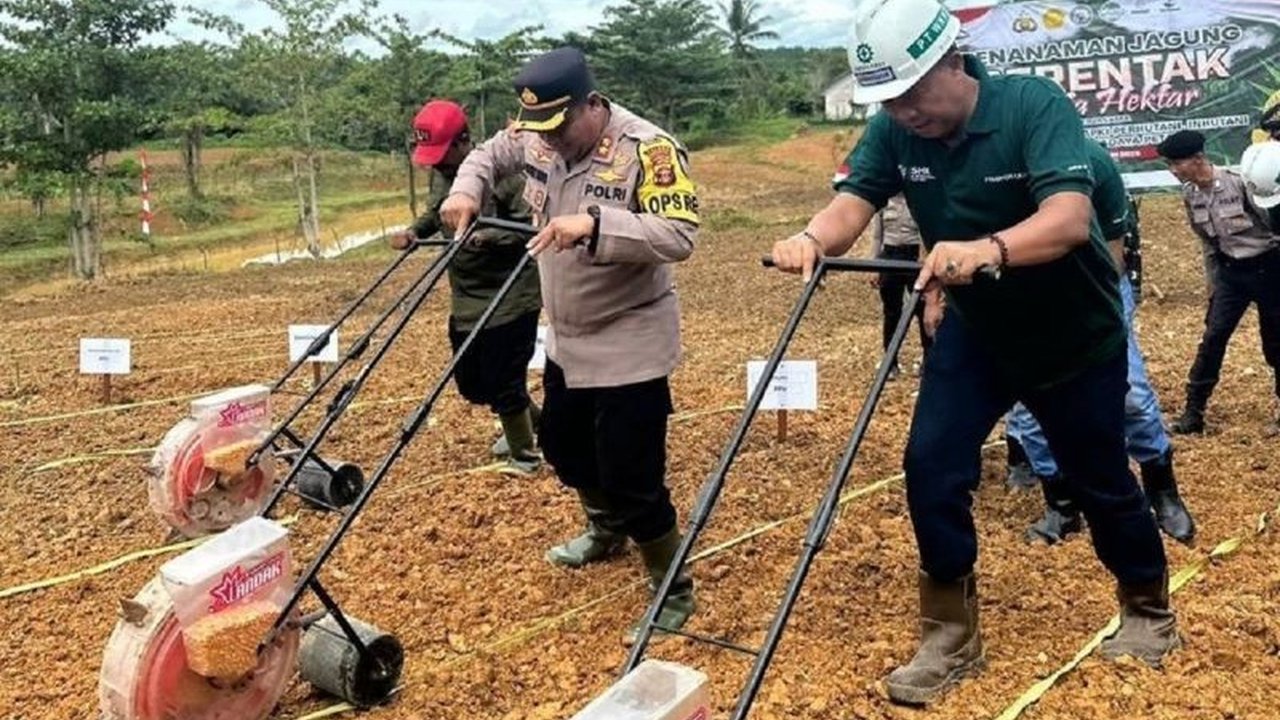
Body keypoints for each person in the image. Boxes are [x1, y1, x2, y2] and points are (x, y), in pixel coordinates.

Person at [769, 0, 1176, 704]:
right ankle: (950, 634)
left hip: (1072, 334)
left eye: (910, 94)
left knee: (1100, 477)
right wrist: (812, 238)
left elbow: (1070, 220)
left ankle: (1147, 607)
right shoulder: (893, 130)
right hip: (978, 332)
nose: (901, 112)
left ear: (953, 62)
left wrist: (988, 250)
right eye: (887, 100)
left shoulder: (1032, 107)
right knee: (930, 465)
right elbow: (852, 205)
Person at [438, 47, 700, 643]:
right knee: (563, 447)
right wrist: (466, 190)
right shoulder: (538, 136)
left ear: (591, 106)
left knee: (632, 470)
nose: (548, 141)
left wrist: (596, 226)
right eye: (540, 129)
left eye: (560, 126)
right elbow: (489, 152)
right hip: (567, 336)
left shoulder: (648, 150)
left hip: (629, 335)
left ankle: (671, 585)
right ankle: (605, 528)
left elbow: (678, 234)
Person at [1006, 139, 1195, 545]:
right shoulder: (992, 167)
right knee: (1027, 408)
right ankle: (1063, 506)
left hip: (1096, 285)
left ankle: (1162, 491)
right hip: (1021, 294)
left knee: (1130, 392)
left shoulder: (1093, 162)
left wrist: (1093, 315)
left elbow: (1113, 251)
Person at [390, 99, 543, 474]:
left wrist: (489, 237)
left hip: (511, 294)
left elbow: (533, 227)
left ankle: (525, 455)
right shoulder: (443, 175)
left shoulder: (504, 174)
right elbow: (435, 210)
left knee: (505, 377)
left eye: (443, 155)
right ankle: (534, 421)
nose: (439, 164)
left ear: (463, 141)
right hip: (467, 296)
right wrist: (415, 232)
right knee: (473, 382)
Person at [1158, 130, 1280, 436]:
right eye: (1169, 164)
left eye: (1177, 163)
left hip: (1268, 268)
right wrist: (1213, 286)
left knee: (1276, 342)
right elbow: (1208, 243)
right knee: (1213, 338)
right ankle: (1193, 412)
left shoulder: (1240, 184)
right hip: (1231, 273)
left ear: (1198, 159)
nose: (1173, 170)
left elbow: (1273, 227)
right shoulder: (1190, 194)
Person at [871, 195, 932, 378]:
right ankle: (891, 362)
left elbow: (926, 231)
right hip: (889, 255)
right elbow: (877, 236)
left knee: (922, 310)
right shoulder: (884, 201)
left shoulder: (918, 197)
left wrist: (925, 259)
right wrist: (873, 266)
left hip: (914, 256)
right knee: (891, 312)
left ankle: (928, 360)